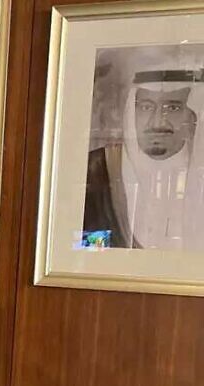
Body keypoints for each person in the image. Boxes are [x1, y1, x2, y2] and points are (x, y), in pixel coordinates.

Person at [85, 67, 204, 250]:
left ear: (192, 116)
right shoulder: (96, 167)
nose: (157, 123)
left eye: (173, 108)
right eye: (146, 107)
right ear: (131, 112)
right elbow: (78, 245)